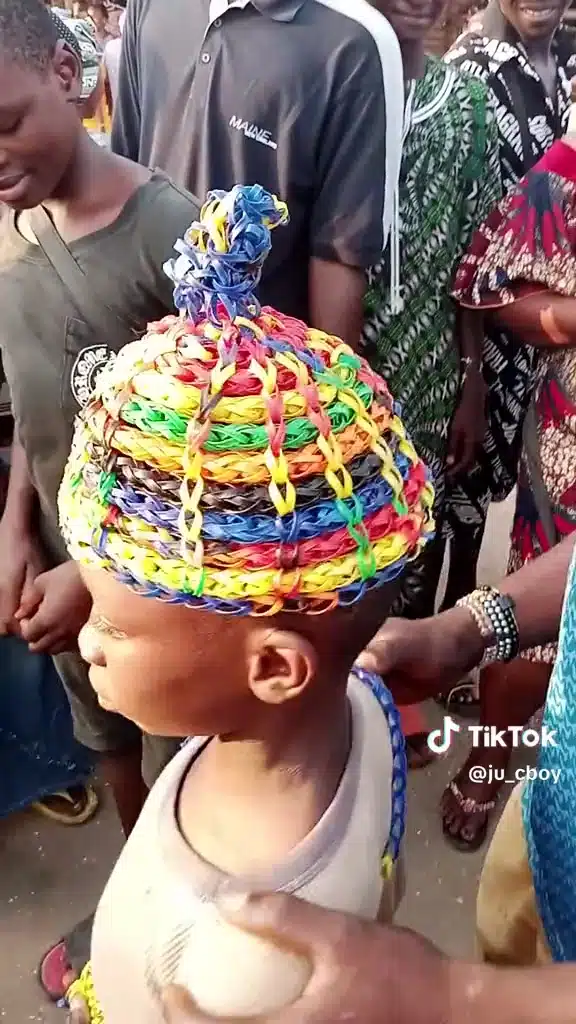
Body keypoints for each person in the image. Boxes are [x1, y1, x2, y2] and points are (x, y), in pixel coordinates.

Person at [60, 183, 434, 1022]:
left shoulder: (243, 964)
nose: (87, 642)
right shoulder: (365, 697)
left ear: (272, 666)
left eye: (114, 623)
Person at [0, 0, 201, 1000]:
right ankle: (135, 898)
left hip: (152, 575)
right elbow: (32, 397)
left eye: (4, 120)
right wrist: (15, 529)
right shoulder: (16, 220)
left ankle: (179, 927)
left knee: (172, 751)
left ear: (69, 75)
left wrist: (99, 568)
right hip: (56, 562)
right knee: (104, 737)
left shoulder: (170, 230)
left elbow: (221, 448)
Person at [436, 0, 576, 846]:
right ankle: (489, 768)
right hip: (570, 459)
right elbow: (482, 279)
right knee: (534, 626)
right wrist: (568, 315)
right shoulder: (566, 173)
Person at [111, 0, 405, 351]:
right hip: (147, 359)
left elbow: (338, 252)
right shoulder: (151, 6)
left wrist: (327, 393)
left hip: (258, 378)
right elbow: (124, 170)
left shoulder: (351, 40)